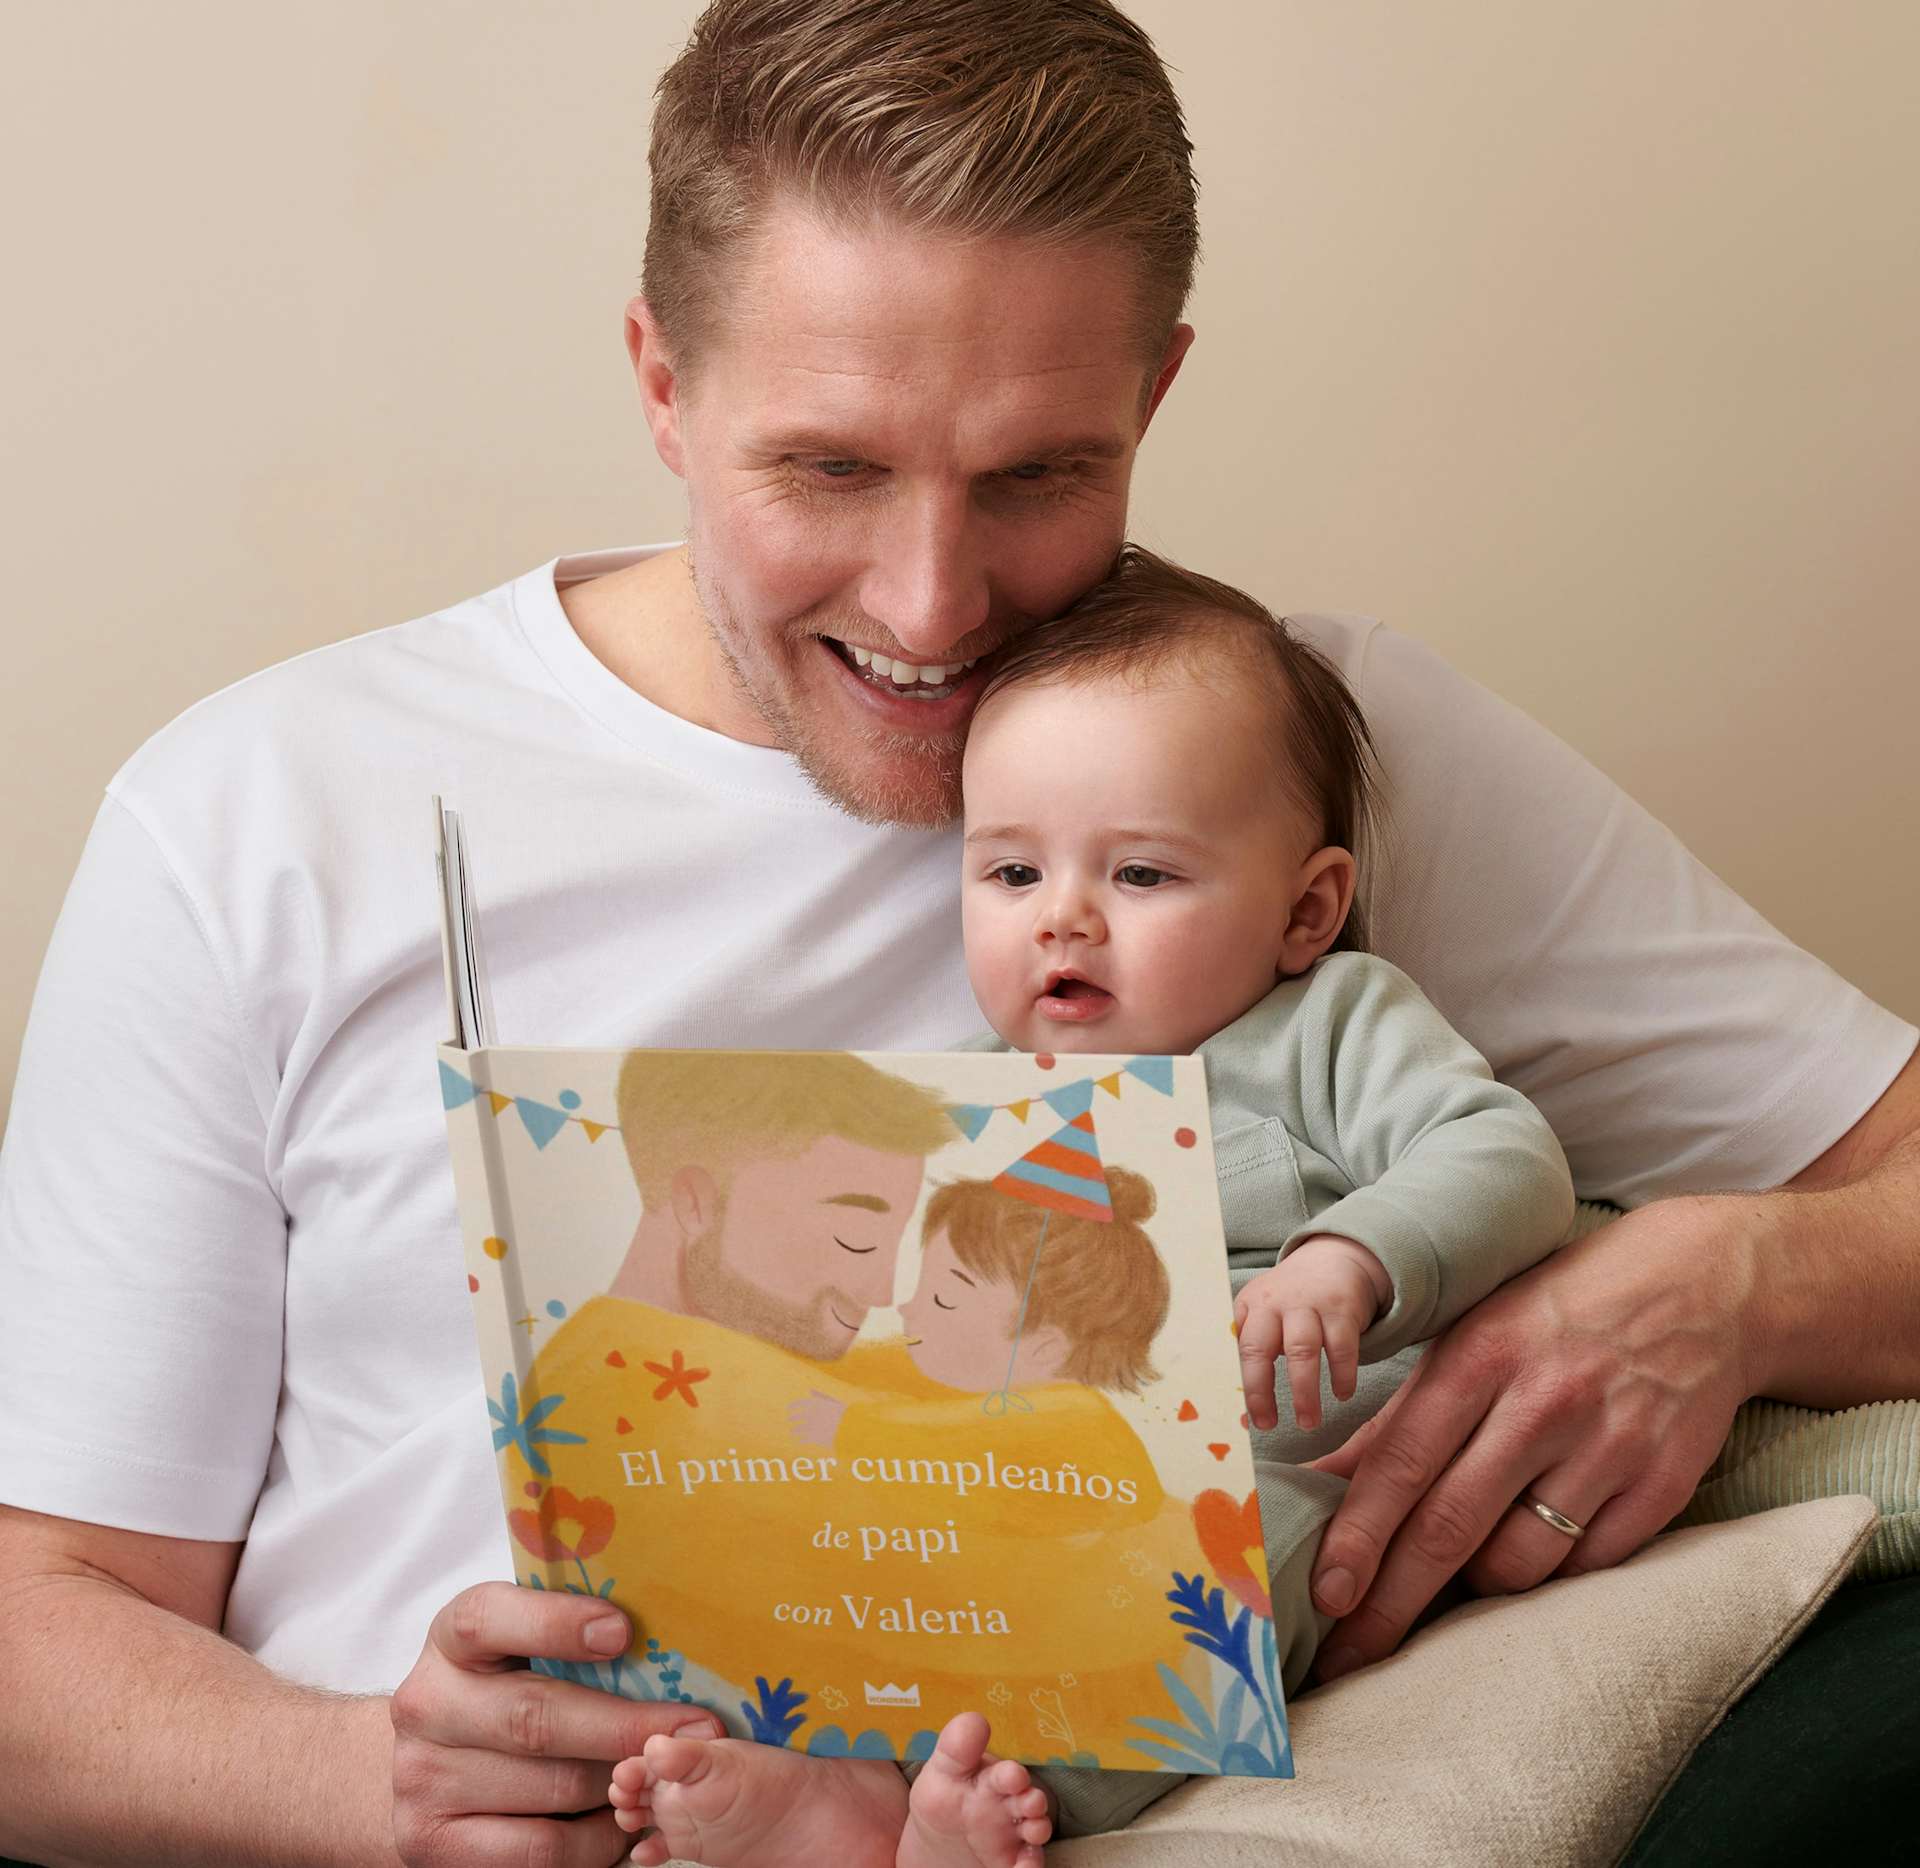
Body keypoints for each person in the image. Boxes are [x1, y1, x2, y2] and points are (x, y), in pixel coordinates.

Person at [0, 1, 1914, 1864]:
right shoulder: (265, 809)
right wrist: (372, 1791)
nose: (932, 608)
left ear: (1154, 393)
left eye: (1038, 476)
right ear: (661, 381)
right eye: (830, 468)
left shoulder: (1286, 749)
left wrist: (1732, 1284)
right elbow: (38, 1627)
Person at [609, 546, 1577, 1866]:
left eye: (1141, 876)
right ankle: (837, 1775)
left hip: (1278, 1469)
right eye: (1012, 876)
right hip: (1035, 1469)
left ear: (1306, 911)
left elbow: (1507, 1154)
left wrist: (1351, 1258)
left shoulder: (1323, 1027)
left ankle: (997, 1794)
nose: (1062, 922)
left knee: (1215, 1575)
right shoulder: (978, 1095)